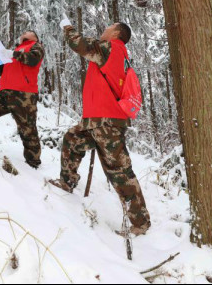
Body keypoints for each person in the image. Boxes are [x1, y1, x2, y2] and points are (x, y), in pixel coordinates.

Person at [49, 18, 151, 236]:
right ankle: (67, 182)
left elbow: (81, 45)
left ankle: (140, 224)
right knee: (72, 139)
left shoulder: (112, 48)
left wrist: (68, 26)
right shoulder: (116, 53)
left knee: (120, 172)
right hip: (96, 120)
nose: (104, 29)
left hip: (107, 122)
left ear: (116, 34)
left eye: (109, 27)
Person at [0, 31, 44, 168]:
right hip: (5, 93)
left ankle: (33, 163)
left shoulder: (35, 46)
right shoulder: (15, 49)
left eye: (27, 32)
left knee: (27, 129)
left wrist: (12, 54)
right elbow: (0, 71)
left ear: (34, 37)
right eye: (23, 32)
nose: (23, 33)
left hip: (24, 94)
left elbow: (33, 60)